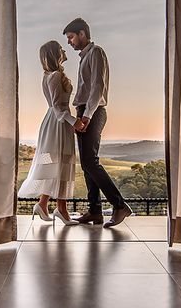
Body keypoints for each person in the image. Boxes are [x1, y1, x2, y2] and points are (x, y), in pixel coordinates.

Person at [64, 18, 132, 227]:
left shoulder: (95, 52)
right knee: (86, 164)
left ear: (82, 34)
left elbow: (97, 87)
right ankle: (95, 210)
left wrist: (87, 115)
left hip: (92, 112)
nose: (69, 42)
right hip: (84, 111)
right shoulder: (85, 57)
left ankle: (120, 205)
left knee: (90, 162)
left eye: (71, 37)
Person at [18, 40, 77, 225]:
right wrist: (75, 122)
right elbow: (58, 109)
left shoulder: (51, 75)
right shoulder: (54, 76)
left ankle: (44, 205)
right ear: (54, 54)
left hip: (57, 123)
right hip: (58, 124)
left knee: (57, 166)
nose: (64, 50)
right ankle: (61, 209)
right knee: (61, 165)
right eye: (60, 49)